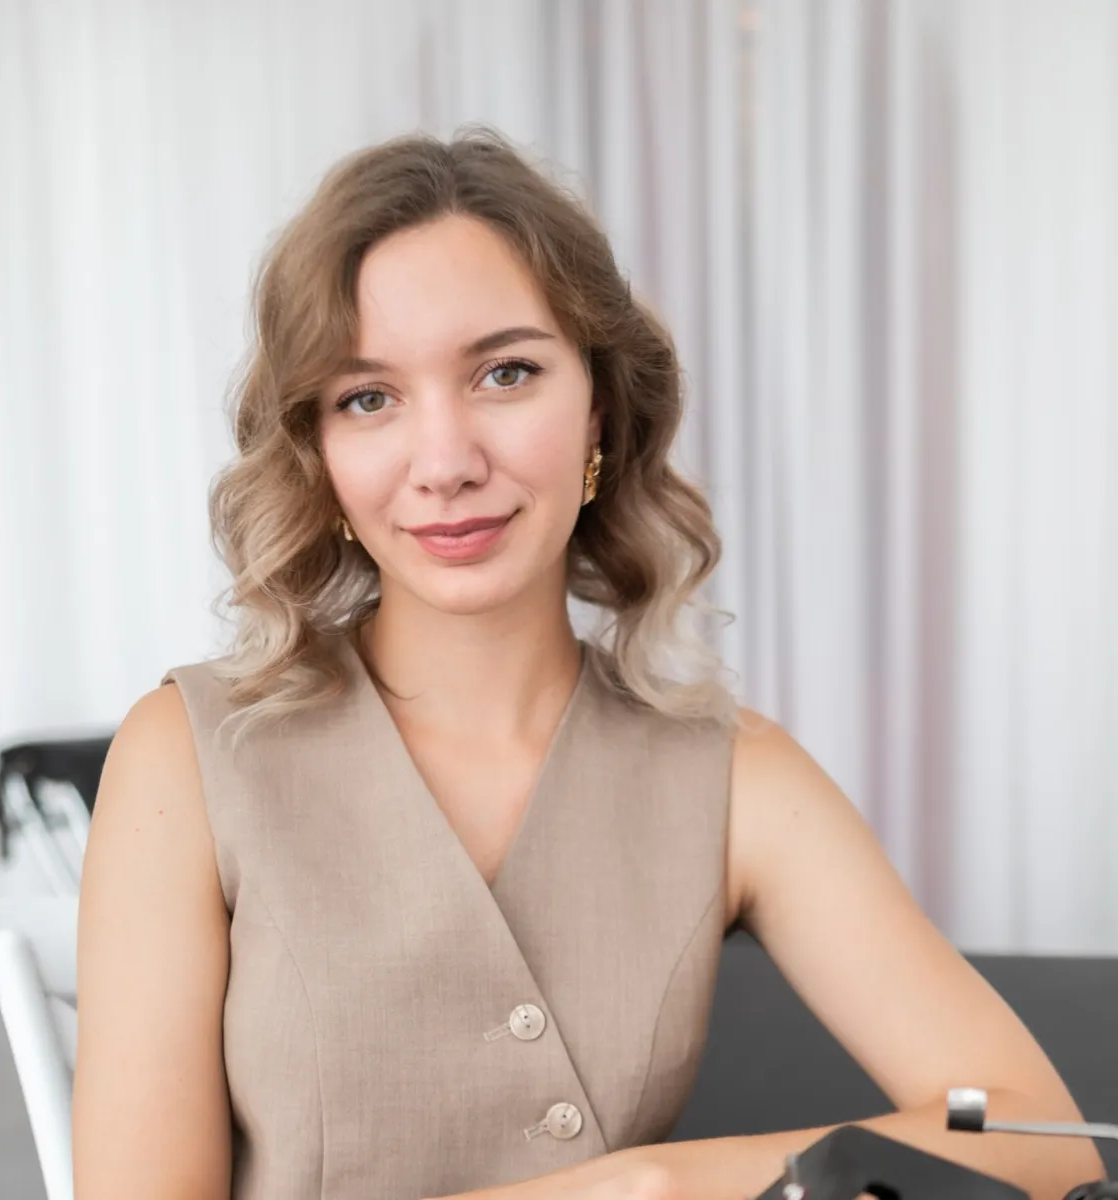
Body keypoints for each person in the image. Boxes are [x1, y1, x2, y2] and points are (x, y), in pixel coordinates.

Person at [71, 128, 1101, 1200]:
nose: (446, 463)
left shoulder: (732, 775)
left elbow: (1034, 1132)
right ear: (319, 453)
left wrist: (655, 1181)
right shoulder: (188, 759)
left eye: (506, 374)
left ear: (598, 410)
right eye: (368, 398)